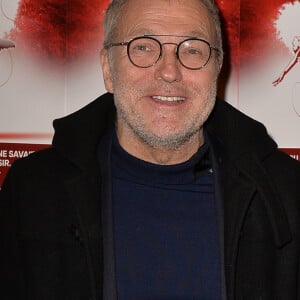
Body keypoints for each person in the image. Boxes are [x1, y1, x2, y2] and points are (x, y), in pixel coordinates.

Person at [1, 0, 300, 299]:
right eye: (143, 47)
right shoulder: (32, 192)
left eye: (192, 49)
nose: (169, 72)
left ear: (217, 69)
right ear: (108, 68)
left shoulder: (287, 195)